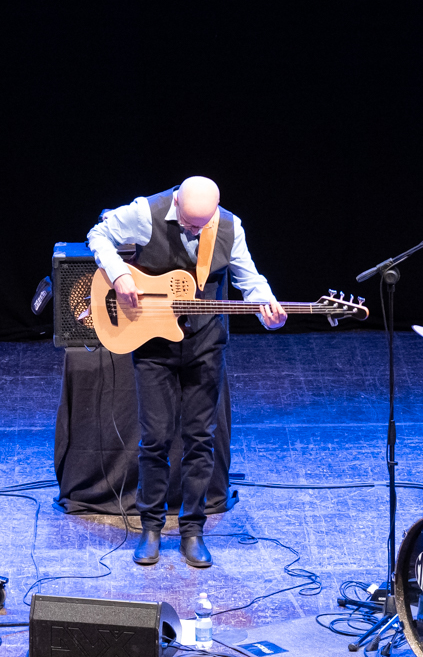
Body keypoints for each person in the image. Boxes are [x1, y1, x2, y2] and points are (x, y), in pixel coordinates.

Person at [87, 176, 286, 569]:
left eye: (201, 226)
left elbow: (250, 280)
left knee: (199, 438)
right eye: (189, 225)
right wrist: (120, 273)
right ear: (177, 202)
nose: (195, 232)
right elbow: (98, 234)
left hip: (205, 345)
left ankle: (193, 529)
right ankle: (151, 527)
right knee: (155, 438)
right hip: (154, 344)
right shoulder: (147, 212)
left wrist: (268, 309)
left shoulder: (229, 225)